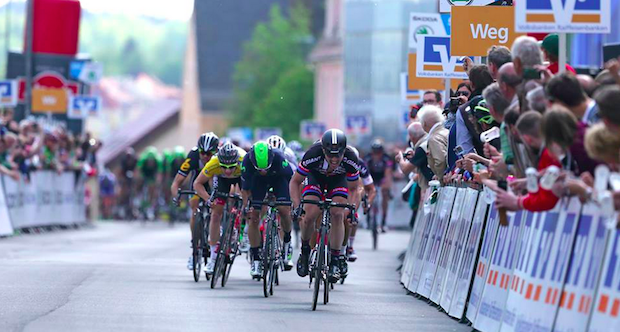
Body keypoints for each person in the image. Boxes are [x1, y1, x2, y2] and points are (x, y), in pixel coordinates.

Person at [290, 129, 362, 283]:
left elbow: (354, 188)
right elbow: (295, 182)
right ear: (323, 150)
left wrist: (352, 209)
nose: (334, 159)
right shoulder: (313, 154)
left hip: (338, 181)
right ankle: (304, 251)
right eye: (330, 155)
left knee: (338, 214)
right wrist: (297, 207)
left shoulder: (350, 157)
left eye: (338, 155)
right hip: (315, 178)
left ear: (344, 151)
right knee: (309, 214)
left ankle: (335, 259)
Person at [241, 141, 294, 278]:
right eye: (260, 169)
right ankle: (256, 259)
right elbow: (245, 189)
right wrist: (247, 207)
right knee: (253, 217)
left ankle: (287, 240)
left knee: (283, 210)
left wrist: (292, 202)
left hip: (279, 179)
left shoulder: (279, 158)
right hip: (258, 183)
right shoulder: (247, 161)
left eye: (266, 168)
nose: (263, 171)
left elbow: (292, 182)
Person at [193, 142, 246, 275]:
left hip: (242, 177)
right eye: (224, 167)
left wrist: (246, 202)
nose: (228, 171)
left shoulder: (244, 161)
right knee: (216, 214)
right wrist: (208, 199)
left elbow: (251, 187)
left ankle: (240, 230)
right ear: (219, 162)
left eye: (231, 167)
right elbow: (197, 183)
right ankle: (213, 257)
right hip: (221, 181)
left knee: (246, 203)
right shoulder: (214, 162)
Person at [170, 132, 219, 270]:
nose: (205, 156)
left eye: (209, 153)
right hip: (198, 184)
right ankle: (195, 247)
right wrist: (176, 197)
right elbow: (176, 182)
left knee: (217, 209)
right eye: (202, 152)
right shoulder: (193, 156)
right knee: (194, 207)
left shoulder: (219, 157)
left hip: (214, 183)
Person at [345, 146, 376, 262]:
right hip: (340, 185)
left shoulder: (360, 164)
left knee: (359, 186)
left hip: (353, 188)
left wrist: (368, 203)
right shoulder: (338, 161)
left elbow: (371, 188)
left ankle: (350, 246)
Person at [364, 139, 394, 233]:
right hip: (371, 176)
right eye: (375, 152)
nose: (377, 154)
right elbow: (364, 173)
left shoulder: (386, 158)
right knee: (368, 193)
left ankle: (383, 222)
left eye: (379, 152)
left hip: (382, 177)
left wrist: (386, 187)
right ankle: (368, 218)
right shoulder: (368, 158)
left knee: (384, 194)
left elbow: (388, 173)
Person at [418, 105, 449, 182]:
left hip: (445, 181)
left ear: (424, 123)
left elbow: (440, 161)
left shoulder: (433, 138)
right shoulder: (446, 131)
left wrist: (439, 176)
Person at [137, 146, 163, 219]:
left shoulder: (158, 161)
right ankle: (138, 196)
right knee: (139, 182)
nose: (150, 162)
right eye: (149, 161)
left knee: (152, 188)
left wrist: (158, 181)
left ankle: (150, 204)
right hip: (145, 173)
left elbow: (159, 173)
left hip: (152, 174)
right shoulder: (143, 160)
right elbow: (138, 171)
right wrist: (139, 179)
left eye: (152, 161)